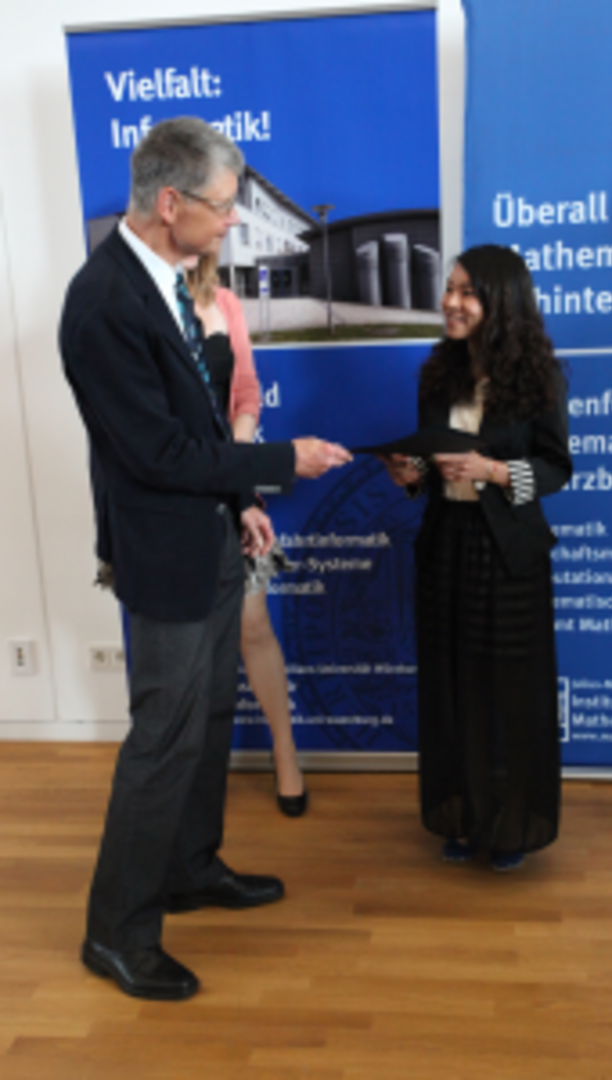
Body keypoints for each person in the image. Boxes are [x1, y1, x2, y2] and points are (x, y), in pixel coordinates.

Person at [59, 117, 351, 1002]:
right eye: (222, 207)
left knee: (212, 717)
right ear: (170, 202)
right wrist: (280, 461)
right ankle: (116, 934)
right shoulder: (104, 303)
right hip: (164, 556)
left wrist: (240, 505)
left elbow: (201, 426)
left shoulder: (171, 285)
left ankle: (189, 867)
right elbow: (157, 454)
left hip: (213, 537)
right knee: (164, 738)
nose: (232, 222)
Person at [385, 245, 572, 873]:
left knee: (509, 693)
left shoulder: (541, 377)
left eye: (467, 292)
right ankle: (464, 816)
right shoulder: (437, 373)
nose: (451, 302)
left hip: (509, 553)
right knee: (452, 684)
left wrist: (491, 470)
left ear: (501, 301)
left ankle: (511, 823)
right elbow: (427, 468)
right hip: (446, 543)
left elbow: (556, 468)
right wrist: (409, 474)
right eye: (450, 289)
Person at [185, 254, 306, 815]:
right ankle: (184, 771)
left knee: (252, 625)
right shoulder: (137, 301)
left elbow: (246, 396)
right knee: (183, 643)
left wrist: (234, 475)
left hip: (229, 487)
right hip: (168, 496)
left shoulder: (225, 302)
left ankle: (285, 753)